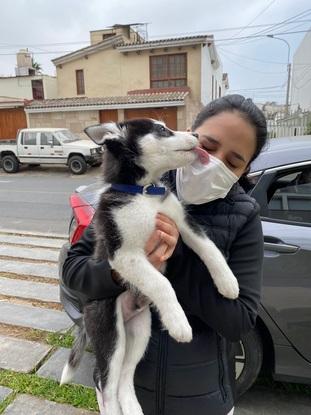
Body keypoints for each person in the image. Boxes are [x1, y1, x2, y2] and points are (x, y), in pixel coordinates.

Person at [62, 94, 267, 415]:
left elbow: (239, 322)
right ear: (190, 134)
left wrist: (173, 262)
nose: (213, 163)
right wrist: (119, 273)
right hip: (123, 392)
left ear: (244, 170)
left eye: (233, 162)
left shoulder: (244, 217)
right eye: (209, 146)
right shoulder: (129, 190)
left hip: (200, 400)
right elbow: (75, 272)